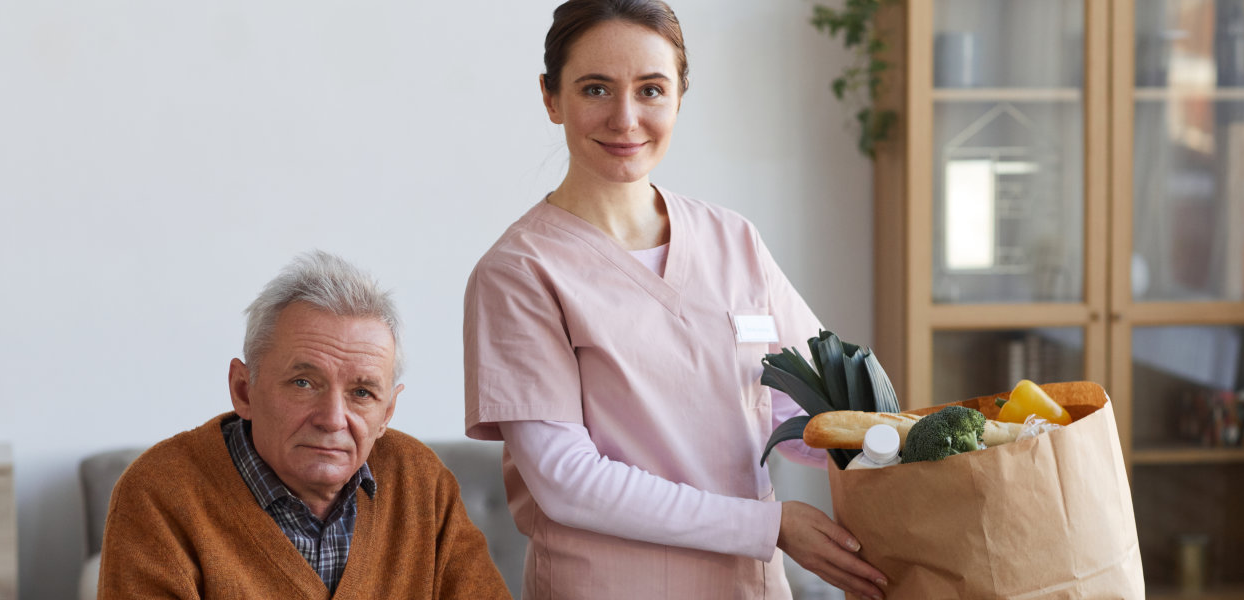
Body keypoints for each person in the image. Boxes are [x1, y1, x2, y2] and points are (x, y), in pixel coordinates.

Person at [461, 1, 889, 598]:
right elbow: (567, 481)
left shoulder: (733, 239)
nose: (625, 118)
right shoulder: (519, 273)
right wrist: (770, 524)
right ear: (551, 98)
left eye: (652, 90)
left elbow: (816, 413)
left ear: (679, 98)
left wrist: (913, 449)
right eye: (595, 89)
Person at [103, 251, 510, 599]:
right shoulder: (159, 494)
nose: (333, 418)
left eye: (362, 393)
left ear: (387, 413)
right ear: (244, 390)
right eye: (303, 383)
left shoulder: (421, 482)